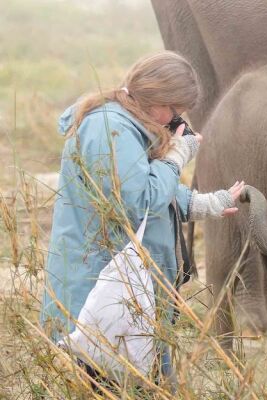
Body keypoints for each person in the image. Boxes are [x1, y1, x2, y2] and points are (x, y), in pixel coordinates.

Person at [39, 51, 244, 382]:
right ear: (155, 96)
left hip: (127, 302)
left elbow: (143, 186)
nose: (174, 121)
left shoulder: (128, 126)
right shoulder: (109, 130)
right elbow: (137, 202)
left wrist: (203, 203)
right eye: (174, 111)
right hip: (98, 302)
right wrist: (176, 157)